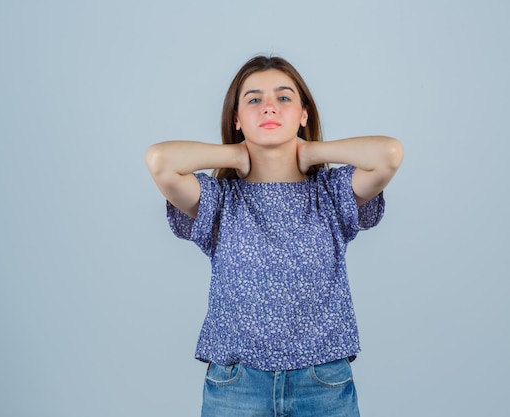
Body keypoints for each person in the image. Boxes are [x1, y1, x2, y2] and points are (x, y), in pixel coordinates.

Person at [145, 55, 403, 417]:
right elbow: (160, 161)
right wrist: (236, 154)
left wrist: (309, 150)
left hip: (323, 382)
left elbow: (389, 154)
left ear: (303, 113)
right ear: (236, 118)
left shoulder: (330, 193)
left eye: (284, 98)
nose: (269, 107)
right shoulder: (221, 200)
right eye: (253, 99)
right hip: (236, 386)